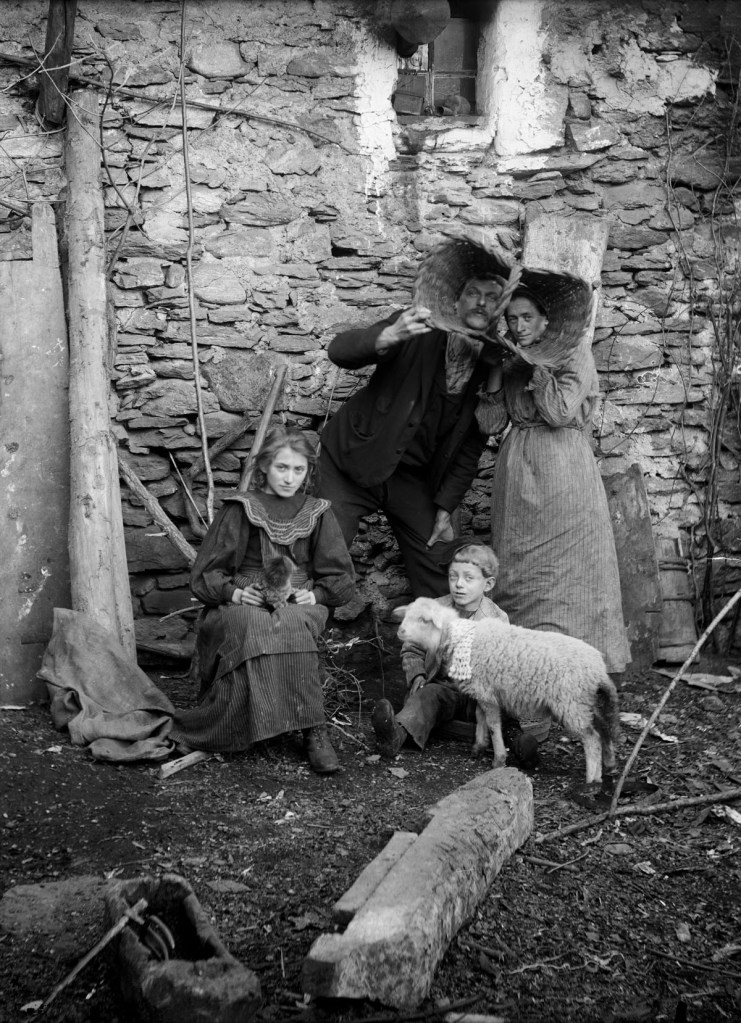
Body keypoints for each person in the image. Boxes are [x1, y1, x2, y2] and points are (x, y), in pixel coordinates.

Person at [170, 427, 356, 774]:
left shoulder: (317, 512)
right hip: (246, 597)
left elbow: (341, 576)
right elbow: (207, 573)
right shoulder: (240, 508)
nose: (289, 478)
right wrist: (235, 593)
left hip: (298, 600)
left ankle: (313, 730)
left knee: (294, 623)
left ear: (308, 471)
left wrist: (315, 594)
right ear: (265, 466)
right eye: (282, 467)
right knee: (252, 624)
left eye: (298, 470)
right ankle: (238, 725)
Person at [476, 287, 630, 675]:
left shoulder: (574, 351)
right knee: (519, 567)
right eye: (511, 319)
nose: (518, 326)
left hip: (564, 468)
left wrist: (536, 364)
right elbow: (490, 424)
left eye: (527, 317)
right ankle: (525, 669)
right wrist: (495, 367)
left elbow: (559, 412)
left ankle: (579, 668)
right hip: (518, 469)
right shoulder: (510, 357)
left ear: (546, 319)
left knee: (571, 570)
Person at [318, 276, 504, 598]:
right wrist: (388, 336)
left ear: (499, 310)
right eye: (473, 293)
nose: (481, 303)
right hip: (352, 460)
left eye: (492, 297)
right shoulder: (418, 328)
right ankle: (298, 625)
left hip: (413, 479)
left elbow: (470, 448)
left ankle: (433, 632)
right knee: (325, 559)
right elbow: (339, 350)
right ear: (456, 301)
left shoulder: (489, 366)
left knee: (440, 567)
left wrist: (446, 506)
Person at [371, 540, 538, 764]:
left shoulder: (497, 619)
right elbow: (412, 648)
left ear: (487, 584)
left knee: (500, 707)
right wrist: (417, 674)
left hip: (479, 694)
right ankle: (396, 734)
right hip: (444, 689)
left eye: (469, 578)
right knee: (426, 698)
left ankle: (518, 743)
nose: (459, 584)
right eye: (453, 577)